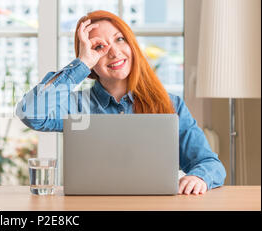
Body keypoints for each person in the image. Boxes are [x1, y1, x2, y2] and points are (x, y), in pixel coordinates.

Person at [15, 10, 226, 195]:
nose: (114, 52)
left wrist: (199, 178)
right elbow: (30, 113)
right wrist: (82, 64)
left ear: (132, 45)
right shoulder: (77, 107)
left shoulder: (171, 104)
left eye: (120, 39)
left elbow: (209, 163)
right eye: (99, 47)